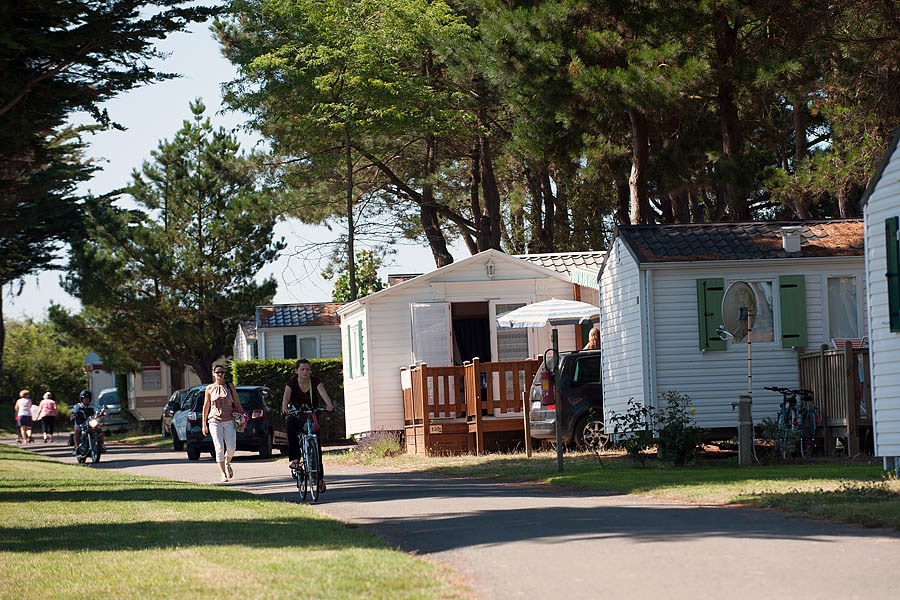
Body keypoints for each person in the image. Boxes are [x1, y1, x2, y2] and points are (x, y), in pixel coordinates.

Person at [282, 358, 335, 493]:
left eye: (307, 369)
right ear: (296, 371)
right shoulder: (292, 382)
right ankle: (295, 459)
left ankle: (319, 478)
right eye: (302, 369)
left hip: (311, 413)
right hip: (296, 413)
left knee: (316, 444)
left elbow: (323, 393)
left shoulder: (315, 381)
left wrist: (329, 405)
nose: (305, 372)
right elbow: (286, 397)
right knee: (290, 425)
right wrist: (285, 408)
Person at [201, 365, 244, 483]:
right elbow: (206, 406)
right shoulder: (209, 388)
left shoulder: (230, 387)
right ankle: (223, 473)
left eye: (222, 372)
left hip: (229, 419)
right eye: (218, 372)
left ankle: (227, 462)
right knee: (219, 447)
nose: (220, 374)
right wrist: (203, 424)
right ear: (213, 373)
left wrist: (242, 417)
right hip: (214, 420)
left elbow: (237, 402)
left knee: (231, 447)